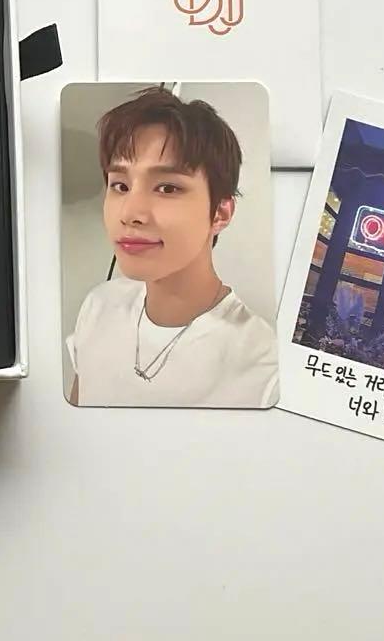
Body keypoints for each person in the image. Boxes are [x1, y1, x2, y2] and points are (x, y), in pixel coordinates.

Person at [66, 86, 278, 408]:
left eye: (167, 188)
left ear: (220, 213)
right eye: (120, 185)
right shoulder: (99, 306)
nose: (130, 213)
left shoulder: (264, 369)